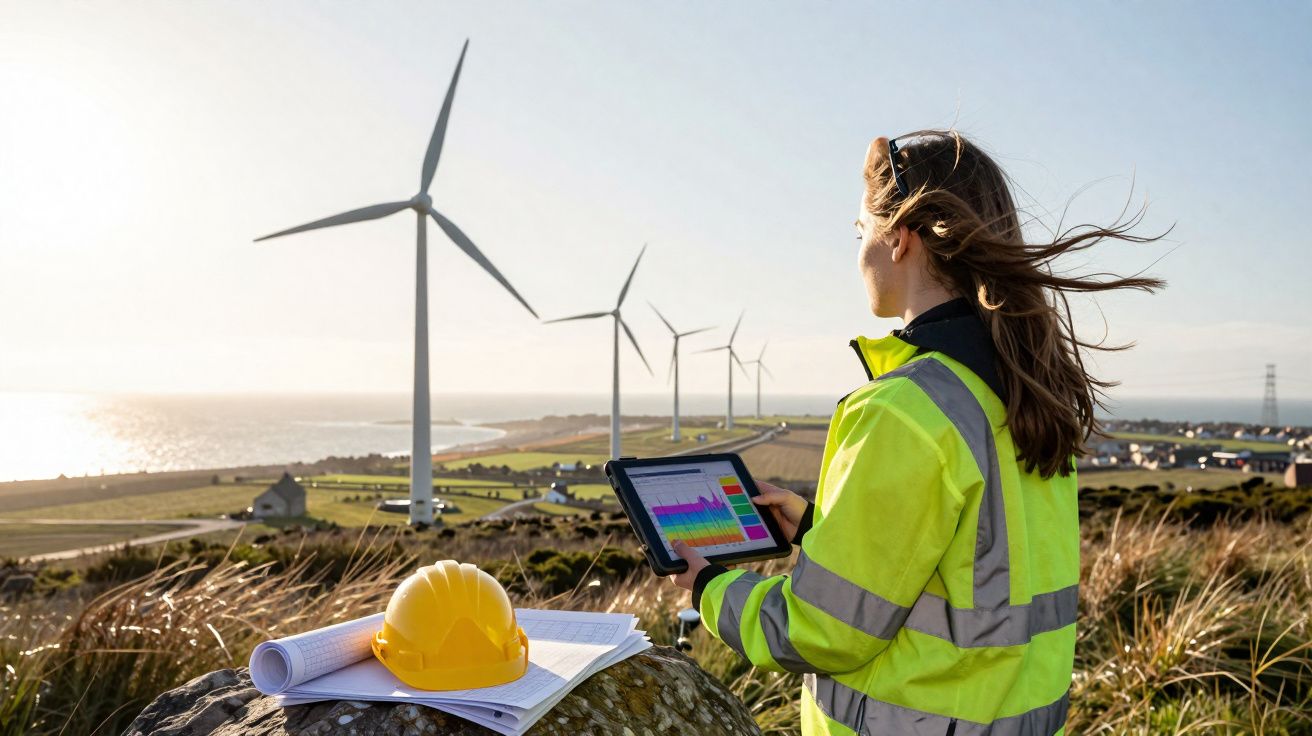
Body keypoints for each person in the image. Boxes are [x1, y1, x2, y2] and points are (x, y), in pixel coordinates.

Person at [667, 130, 1164, 735]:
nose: (856, 254)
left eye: (860, 233)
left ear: (899, 239)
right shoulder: (1024, 393)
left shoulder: (904, 409)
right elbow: (973, 570)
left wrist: (711, 590)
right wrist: (821, 529)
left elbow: (822, 630)